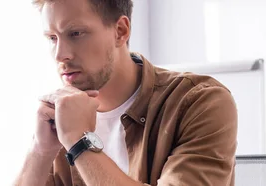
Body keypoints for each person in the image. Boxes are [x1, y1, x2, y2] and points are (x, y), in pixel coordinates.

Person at [13, 0, 237, 185]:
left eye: (76, 33)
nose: (60, 55)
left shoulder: (200, 102)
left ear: (120, 31)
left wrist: (79, 142)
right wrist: (40, 151)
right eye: (52, 38)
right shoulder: (60, 114)